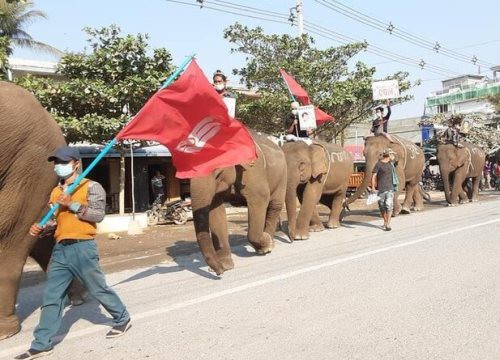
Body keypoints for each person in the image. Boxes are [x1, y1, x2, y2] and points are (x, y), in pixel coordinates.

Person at [16, 146, 131, 360]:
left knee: (97, 289)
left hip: (83, 246)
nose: (58, 166)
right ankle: (42, 344)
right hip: (60, 249)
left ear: (76, 164)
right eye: (56, 163)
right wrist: (42, 228)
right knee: (52, 295)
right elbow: (54, 220)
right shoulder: (55, 192)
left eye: (63, 162)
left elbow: (98, 215)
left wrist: (73, 204)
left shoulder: (91, 186)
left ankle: (122, 318)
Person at [370, 148, 398, 231]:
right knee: (382, 206)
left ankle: (388, 224)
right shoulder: (379, 164)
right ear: (388, 155)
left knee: (389, 206)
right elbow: (374, 176)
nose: (393, 155)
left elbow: (397, 160)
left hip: (390, 188)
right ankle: (385, 221)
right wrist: (373, 187)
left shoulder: (391, 164)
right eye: (392, 154)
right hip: (381, 189)